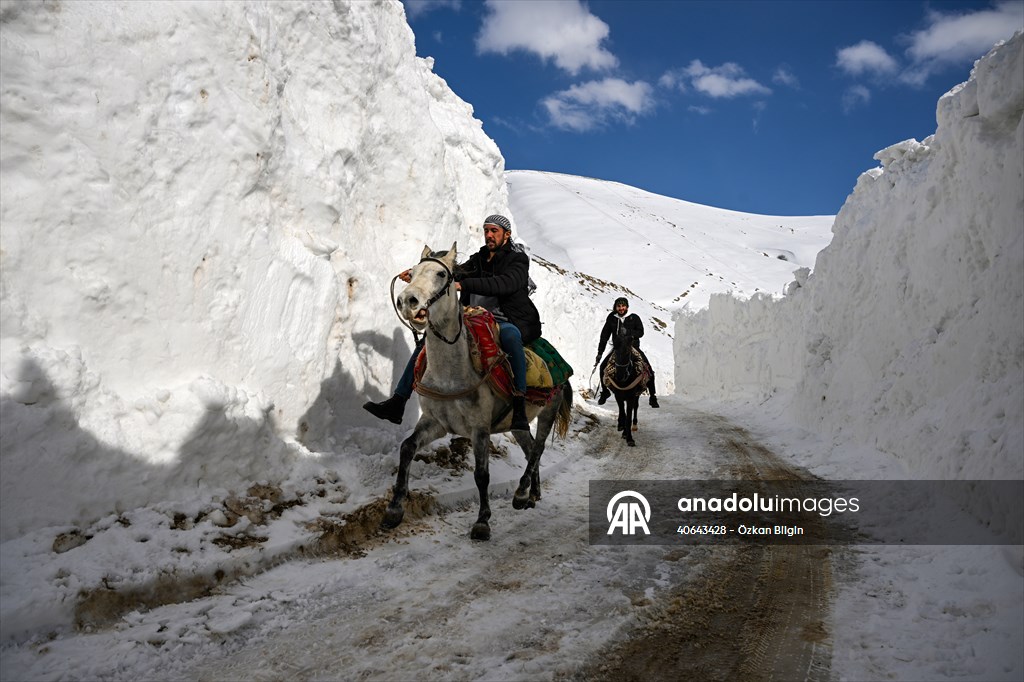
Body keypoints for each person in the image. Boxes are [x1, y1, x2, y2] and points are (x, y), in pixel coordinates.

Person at [363, 214, 541, 431]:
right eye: (486, 230)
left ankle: (520, 405)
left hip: (504, 319)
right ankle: (398, 402)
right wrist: (417, 274)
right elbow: (449, 272)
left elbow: (505, 283)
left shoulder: (517, 260)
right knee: (428, 341)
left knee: (511, 337)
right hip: (473, 317)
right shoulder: (479, 258)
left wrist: (463, 285)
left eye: (494, 231)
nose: (489, 235)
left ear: (507, 234)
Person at [595, 297, 659, 408]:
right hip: (618, 348)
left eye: (623, 306)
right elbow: (604, 336)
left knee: (648, 368)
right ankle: (605, 392)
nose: (621, 308)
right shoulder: (612, 319)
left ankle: (652, 396)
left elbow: (640, 332)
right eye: (619, 306)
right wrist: (600, 352)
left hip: (633, 348)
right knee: (602, 367)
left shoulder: (634, 318)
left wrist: (628, 332)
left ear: (627, 307)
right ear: (615, 307)